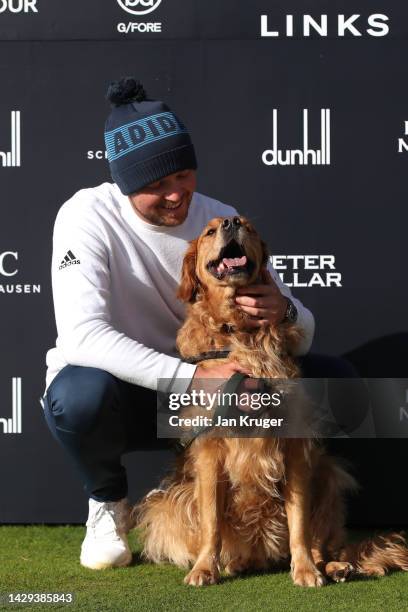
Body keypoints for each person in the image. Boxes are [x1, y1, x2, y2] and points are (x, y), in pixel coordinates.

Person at [41, 77, 358, 570]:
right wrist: (193, 379)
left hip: (220, 377)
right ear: (125, 185)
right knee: (78, 396)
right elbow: (83, 337)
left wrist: (286, 310)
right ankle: (106, 501)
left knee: (339, 382)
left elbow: (301, 329)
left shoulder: (224, 221)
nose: (175, 195)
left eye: (184, 176)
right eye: (156, 186)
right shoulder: (85, 216)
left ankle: (292, 518)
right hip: (136, 389)